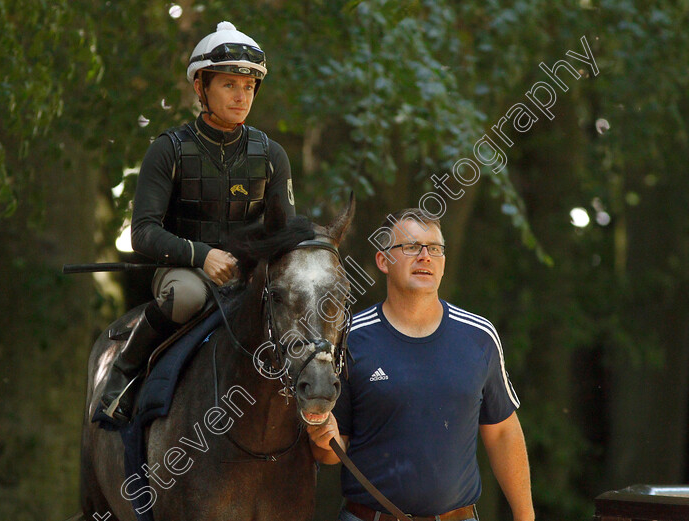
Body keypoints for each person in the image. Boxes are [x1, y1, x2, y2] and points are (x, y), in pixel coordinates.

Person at [93, 21, 295, 426]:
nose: (241, 97)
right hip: (183, 272)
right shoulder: (167, 150)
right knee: (186, 298)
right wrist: (202, 257)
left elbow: (283, 234)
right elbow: (143, 233)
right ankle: (123, 375)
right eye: (229, 86)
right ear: (201, 87)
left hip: (249, 277)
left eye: (249, 88)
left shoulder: (273, 155)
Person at [307, 209, 534, 521]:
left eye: (435, 249)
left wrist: (526, 517)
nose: (425, 257)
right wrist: (323, 437)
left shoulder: (479, 336)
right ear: (383, 261)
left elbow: (503, 433)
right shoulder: (350, 340)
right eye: (412, 247)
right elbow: (331, 452)